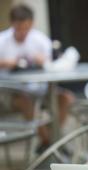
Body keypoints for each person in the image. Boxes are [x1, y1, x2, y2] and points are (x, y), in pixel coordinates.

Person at [0, 4, 74, 153]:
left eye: (26, 29)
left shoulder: (40, 39)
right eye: (18, 29)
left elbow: (53, 64)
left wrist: (44, 61)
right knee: (25, 101)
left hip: (41, 89)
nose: (22, 33)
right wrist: (5, 63)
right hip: (12, 93)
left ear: (32, 24)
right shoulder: (2, 40)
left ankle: (49, 142)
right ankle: (51, 144)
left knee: (66, 98)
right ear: (12, 24)